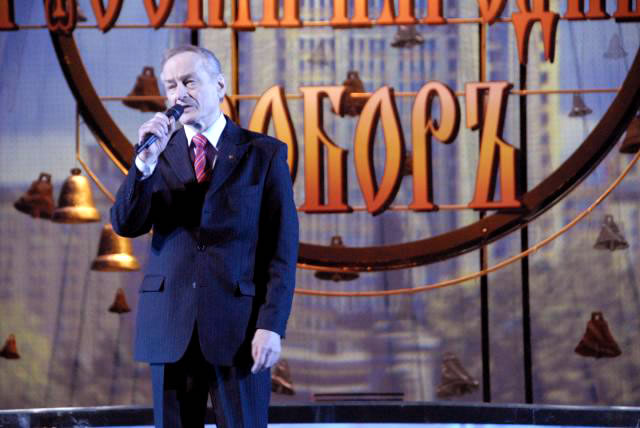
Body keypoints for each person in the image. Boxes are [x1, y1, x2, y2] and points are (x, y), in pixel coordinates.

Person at [111, 45, 299, 428]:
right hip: (170, 327)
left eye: (189, 82)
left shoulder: (262, 154)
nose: (179, 94)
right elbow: (126, 224)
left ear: (219, 86)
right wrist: (143, 165)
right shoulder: (156, 155)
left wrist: (271, 325)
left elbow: (281, 252)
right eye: (170, 86)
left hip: (239, 329)